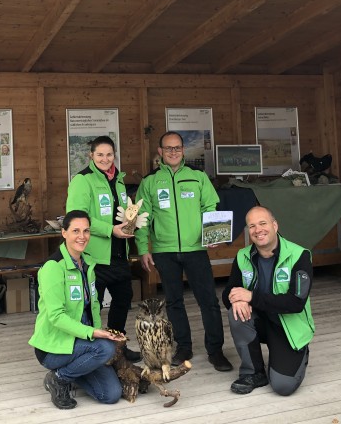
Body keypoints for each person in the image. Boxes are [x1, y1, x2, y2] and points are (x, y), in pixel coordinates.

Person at [135, 131, 233, 372]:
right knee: (174, 302)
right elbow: (141, 217)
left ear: (183, 150)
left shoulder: (198, 177)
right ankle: (185, 346)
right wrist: (143, 249)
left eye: (177, 148)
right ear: (160, 152)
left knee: (208, 301)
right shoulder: (150, 182)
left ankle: (215, 350)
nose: (173, 152)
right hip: (163, 250)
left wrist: (214, 235)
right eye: (168, 148)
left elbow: (211, 206)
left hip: (196, 249)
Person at [29, 210, 125, 410]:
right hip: (54, 348)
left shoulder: (88, 264)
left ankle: (73, 370)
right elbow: (56, 316)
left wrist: (100, 333)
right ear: (64, 233)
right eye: (75, 231)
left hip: (82, 344)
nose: (82, 236)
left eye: (86, 231)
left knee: (111, 394)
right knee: (104, 349)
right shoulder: (53, 267)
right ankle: (59, 378)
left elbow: (95, 305)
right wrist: (93, 334)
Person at [223, 206, 314, 396]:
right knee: (236, 311)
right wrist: (236, 299)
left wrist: (250, 297)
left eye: (263, 223)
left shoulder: (299, 255)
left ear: (274, 225)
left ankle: (299, 353)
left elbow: (296, 303)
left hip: (288, 327)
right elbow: (227, 293)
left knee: (283, 387)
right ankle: (254, 372)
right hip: (260, 322)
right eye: (252, 226)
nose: (258, 230)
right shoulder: (243, 256)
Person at [65, 136, 141, 362]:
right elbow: (78, 217)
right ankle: (92, 350)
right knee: (91, 307)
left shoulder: (119, 180)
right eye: (100, 155)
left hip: (119, 254)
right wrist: (111, 230)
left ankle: (117, 347)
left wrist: (131, 224)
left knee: (123, 299)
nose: (105, 159)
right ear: (91, 156)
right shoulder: (82, 180)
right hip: (94, 257)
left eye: (109, 154)